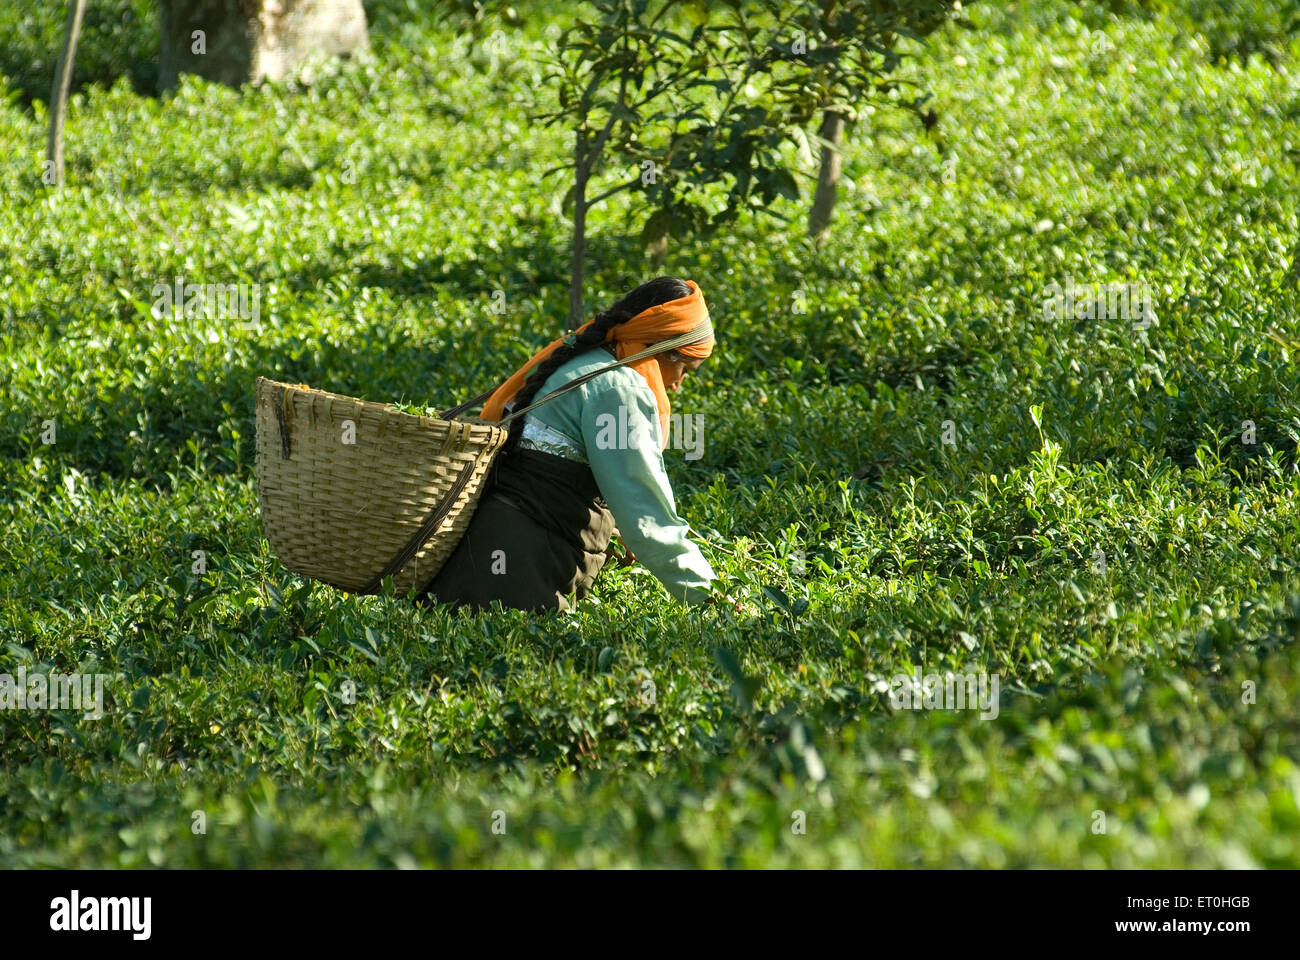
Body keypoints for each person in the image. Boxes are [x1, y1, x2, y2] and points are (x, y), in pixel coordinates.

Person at [418, 276, 719, 612]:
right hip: (518, 578)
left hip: (481, 564)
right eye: (685, 369)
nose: (678, 385)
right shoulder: (618, 389)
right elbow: (648, 519)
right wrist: (712, 600)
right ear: (656, 346)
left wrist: (613, 529)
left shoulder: (584, 364)